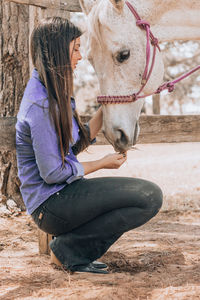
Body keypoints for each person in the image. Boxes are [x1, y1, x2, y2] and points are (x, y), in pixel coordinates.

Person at [16, 17, 163, 274]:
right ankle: (69, 251)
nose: (80, 56)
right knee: (148, 197)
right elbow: (53, 173)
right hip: (50, 205)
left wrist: (115, 100)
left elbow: (74, 143)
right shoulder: (40, 105)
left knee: (146, 195)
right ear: (56, 50)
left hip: (62, 196)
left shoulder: (52, 91)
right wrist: (103, 163)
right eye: (75, 48)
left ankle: (71, 249)